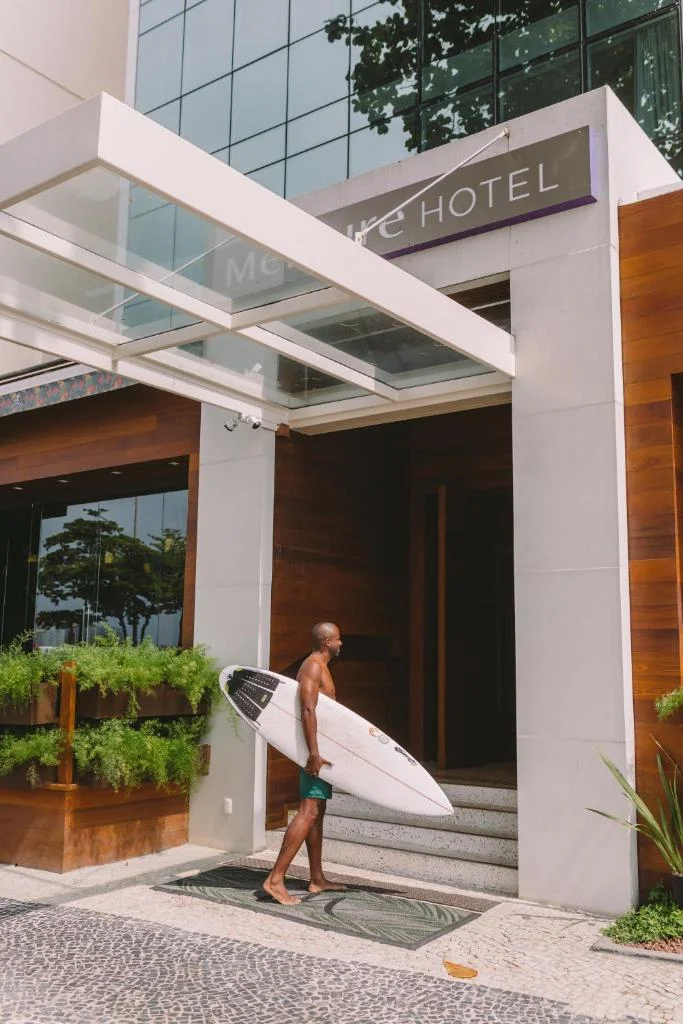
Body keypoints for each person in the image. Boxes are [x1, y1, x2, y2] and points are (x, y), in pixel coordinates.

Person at [263, 622, 347, 906]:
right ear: (326, 642)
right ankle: (275, 879)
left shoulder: (322, 667)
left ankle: (317, 878)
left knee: (317, 810)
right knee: (308, 810)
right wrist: (313, 753)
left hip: (322, 750)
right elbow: (307, 709)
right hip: (315, 753)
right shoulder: (312, 666)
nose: (341, 643)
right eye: (338, 639)